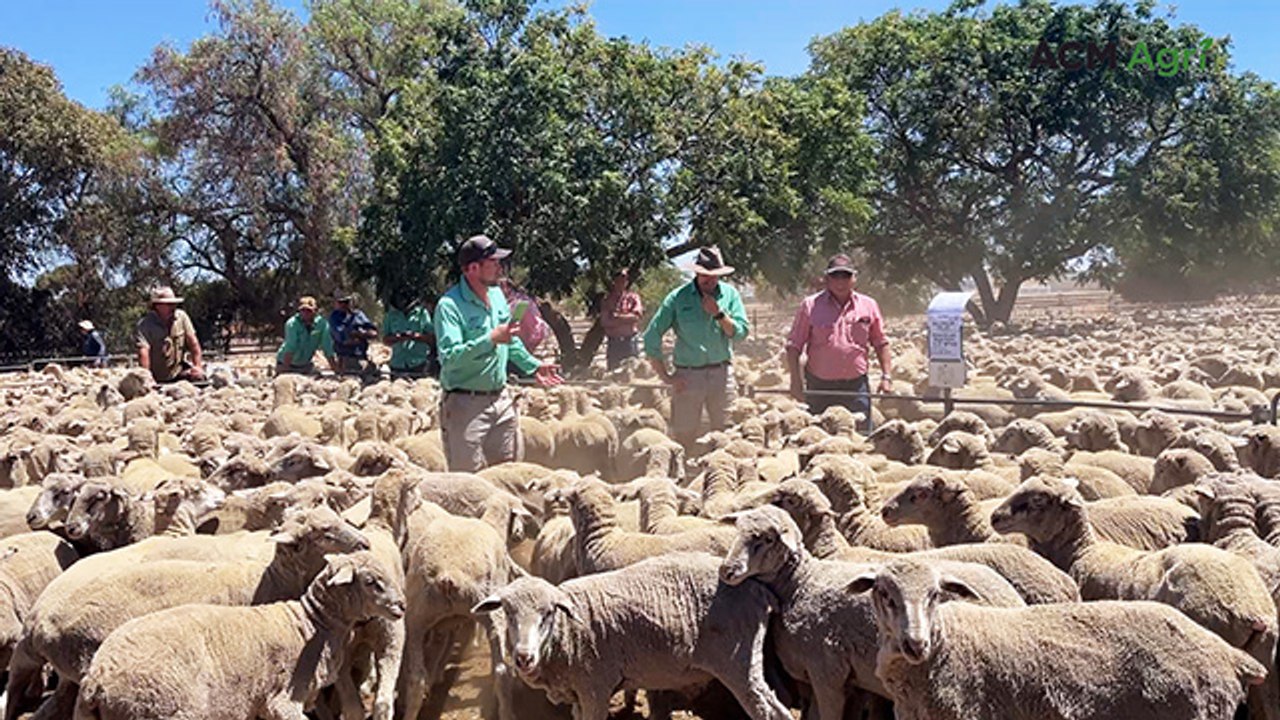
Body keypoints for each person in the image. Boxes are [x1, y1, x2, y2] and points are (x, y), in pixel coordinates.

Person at [434, 235, 563, 472]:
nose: (499, 268)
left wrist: (533, 365)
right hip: (466, 404)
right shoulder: (449, 306)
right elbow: (449, 357)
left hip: (501, 401)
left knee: (509, 478)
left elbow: (509, 340)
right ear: (473, 268)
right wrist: (490, 339)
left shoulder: (496, 296)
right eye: (493, 262)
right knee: (468, 483)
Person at [642, 246, 750, 449]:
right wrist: (666, 377)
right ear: (696, 272)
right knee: (684, 434)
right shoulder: (677, 298)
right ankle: (683, 475)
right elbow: (651, 336)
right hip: (688, 377)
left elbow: (741, 332)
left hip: (722, 374)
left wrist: (719, 314)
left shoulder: (730, 295)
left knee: (727, 432)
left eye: (714, 276)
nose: (709, 280)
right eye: (704, 275)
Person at [785, 253, 893, 431]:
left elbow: (881, 342)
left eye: (846, 275)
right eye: (835, 276)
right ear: (827, 278)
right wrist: (796, 382)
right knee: (819, 437)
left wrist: (886, 376)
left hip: (856, 386)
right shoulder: (810, 306)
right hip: (820, 387)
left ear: (854, 278)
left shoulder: (868, 305)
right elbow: (793, 346)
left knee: (861, 437)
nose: (840, 281)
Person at [135, 286, 205, 383]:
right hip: (156, 378)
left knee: (200, 379)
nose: (173, 307)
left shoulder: (182, 317)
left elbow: (194, 344)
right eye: (169, 304)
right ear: (157, 305)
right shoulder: (145, 325)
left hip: (179, 372)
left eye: (174, 304)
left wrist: (198, 366)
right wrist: (147, 378)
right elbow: (143, 353)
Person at [276, 296, 336, 375]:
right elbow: (290, 346)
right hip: (287, 364)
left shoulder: (322, 324)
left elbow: (327, 347)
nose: (305, 313)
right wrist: (285, 369)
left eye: (309, 310)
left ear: (315, 311)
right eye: (303, 310)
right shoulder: (292, 324)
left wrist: (335, 369)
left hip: (305, 365)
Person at [382, 290, 436, 378]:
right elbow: (385, 340)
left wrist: (415, 337)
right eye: (398, 301)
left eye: (402, 300)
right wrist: (398, 338)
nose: (400, 303)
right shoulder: (390, 316)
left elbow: (431, 338)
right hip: (398, 364)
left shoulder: (421, 314)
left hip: (418, 364)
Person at [600, 267, 644, 370]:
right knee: (613, 374)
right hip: (614, 343)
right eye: (618, 279)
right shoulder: (607, 300)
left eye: (624, 279)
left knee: (633, 371)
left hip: (629, 342)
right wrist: (626, 319)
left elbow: (636, 317)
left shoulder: (633, 298)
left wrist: (617, 317)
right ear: (614, 281)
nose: (621, 282)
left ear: (627, 281)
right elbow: (605, 322)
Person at [328, 291, 379, 378]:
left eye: (346, 302)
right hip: (346, 360)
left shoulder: (359, 315)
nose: (344, 305)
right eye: (341, 302)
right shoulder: (334, 317)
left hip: (362, 357)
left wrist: (359, 334)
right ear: (336, 303)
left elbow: (374, 333)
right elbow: (344, 339)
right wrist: (362, 334)